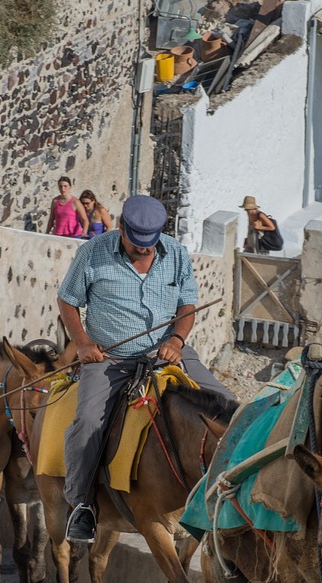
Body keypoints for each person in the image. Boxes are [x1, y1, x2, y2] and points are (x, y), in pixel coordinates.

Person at [56, 194, 234, 543]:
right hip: (110, 358)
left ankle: (235, 496)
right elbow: (67, 300)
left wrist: (177, 341)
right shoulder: (92, 253)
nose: (143, 252)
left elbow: (187, 305)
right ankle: (81, 505)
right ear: (121, 228)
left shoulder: (177, 255)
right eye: (137, 245)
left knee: (229, 406)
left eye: (149, 247)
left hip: (167, 351)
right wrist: (82, 344)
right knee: (89, 422)